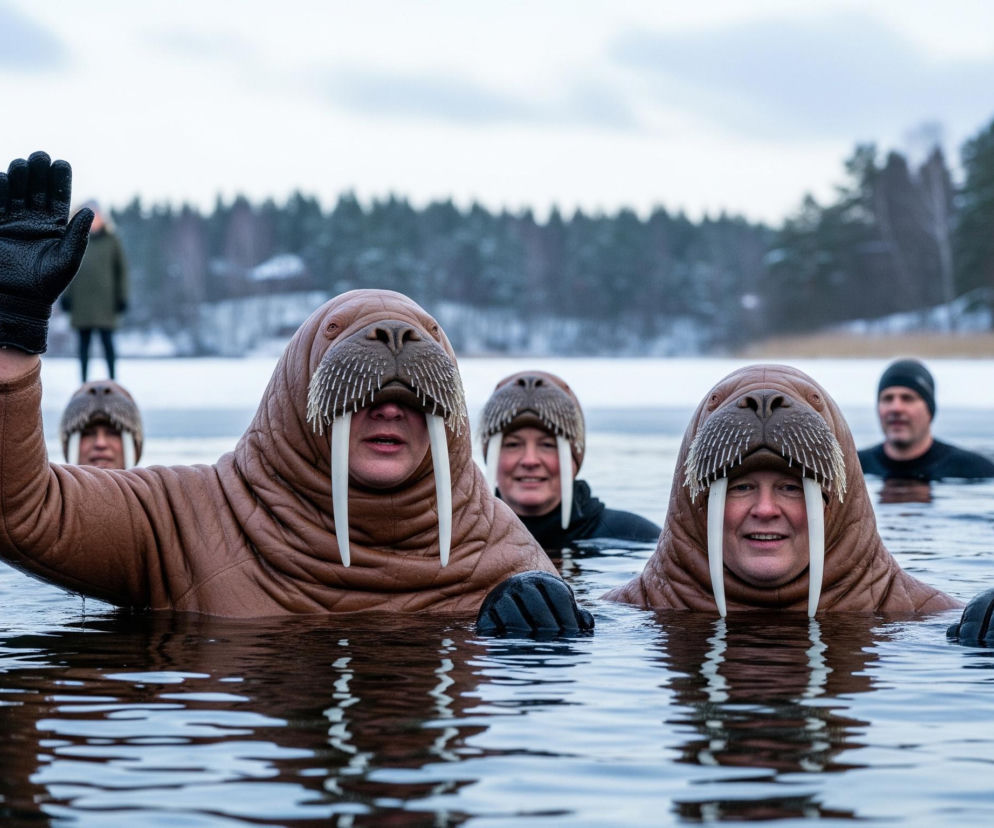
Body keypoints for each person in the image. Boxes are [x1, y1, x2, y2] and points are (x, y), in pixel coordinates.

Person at [0, 151, 591, 637]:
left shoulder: (503, 556)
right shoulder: (188, 521)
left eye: (415, 401)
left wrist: (537, 621)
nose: (388, 409)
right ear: (293, 397)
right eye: (357, 396)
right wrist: (12, 329)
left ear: (452, 420)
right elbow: (23, 511)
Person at [603, 364, 960, 616]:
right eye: (740, 486)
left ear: (840, 502)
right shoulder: (628, 613)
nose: (766, 510)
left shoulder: (918, 614)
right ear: (695, 501)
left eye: (793, 488)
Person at [478, 370, 661, 549]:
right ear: (491, 457)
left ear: (575, 460)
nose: (530, 460)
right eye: (512, 445)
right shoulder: (458, 541)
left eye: (548, 445)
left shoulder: (635, 536)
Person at [858, 358, 994, 481]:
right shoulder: (853, 468)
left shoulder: (977, 470)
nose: (896, 408)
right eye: (887, 398)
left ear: (929, 409)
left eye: (907, 398)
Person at [59, 198, 129, 382]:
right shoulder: (74, 240)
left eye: (96, 214)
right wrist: (65, 296)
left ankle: (112, 381)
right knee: (83, 345)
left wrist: (122, 296)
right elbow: (65, 269)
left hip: (106, 302)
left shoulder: (112, 240)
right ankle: (83, 383)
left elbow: (121, 270)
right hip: (81, 302)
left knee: (108, 344)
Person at [60, 379, 143, 469]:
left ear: (135, 449)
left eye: (113, 433)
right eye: (87, 433)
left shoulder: (157, 482)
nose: (100, 443)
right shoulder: (49, 483)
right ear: (68, 449)